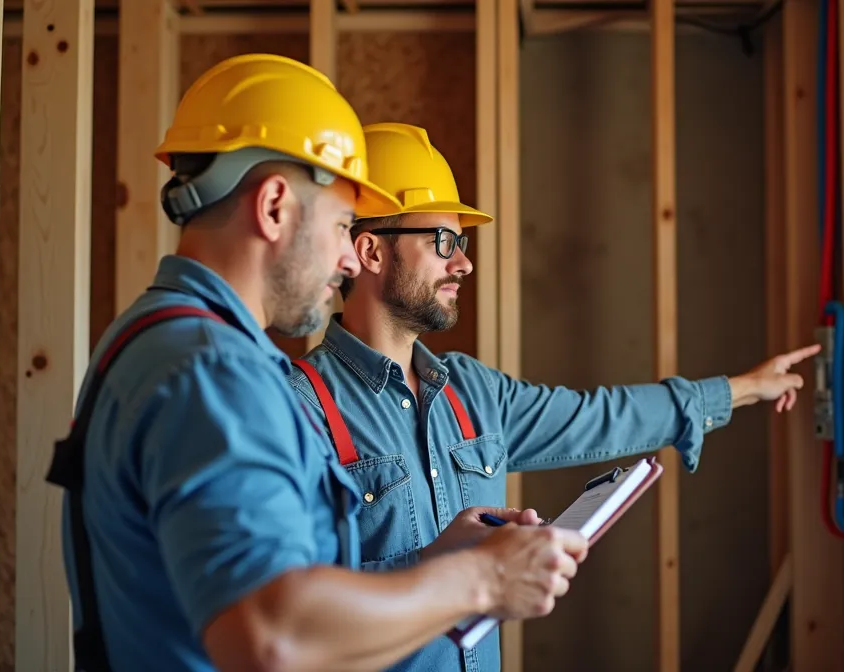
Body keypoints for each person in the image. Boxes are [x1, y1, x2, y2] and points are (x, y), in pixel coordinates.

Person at [49, 56, 589, 672]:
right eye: (340, 224)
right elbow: (275, 634)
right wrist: (483, 580)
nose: (350, 260)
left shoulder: (153, 337)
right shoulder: (215, 372)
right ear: (275, 205)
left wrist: (435, 561)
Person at [286, 121, 821, 672]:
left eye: (461, 244)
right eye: (442, 241)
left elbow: (600, 418)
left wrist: (745, 389)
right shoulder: (299, 407)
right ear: (371, 251)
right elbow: (288, 611)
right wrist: (443, 567)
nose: (464, 263)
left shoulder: (473, 393)